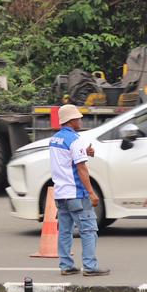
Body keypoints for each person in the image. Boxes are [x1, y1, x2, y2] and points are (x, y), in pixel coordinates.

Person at [49, 103, 108, 277]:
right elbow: (81, 168)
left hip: (60, 194)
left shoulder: (55, 139)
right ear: (71, 120)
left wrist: (84, 152)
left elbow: (65, 160)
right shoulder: (75, 140)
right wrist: (91, 192)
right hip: (76, 194)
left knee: (65, 231)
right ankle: (90, 266)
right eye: (78, 118)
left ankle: (66, 265)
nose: (81, 120)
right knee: (89, 230)